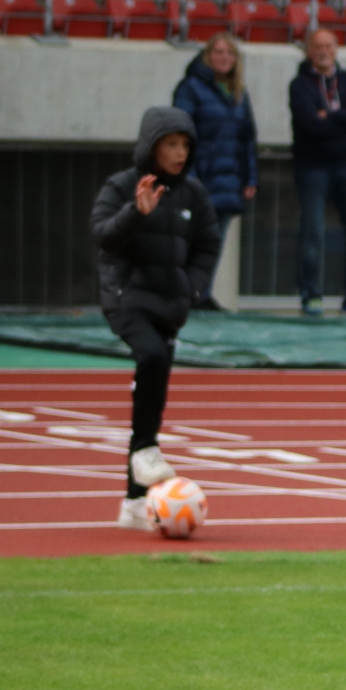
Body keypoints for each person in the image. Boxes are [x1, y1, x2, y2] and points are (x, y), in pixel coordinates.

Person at [90, 106, 221, 531]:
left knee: (152, 395)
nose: (180, 153)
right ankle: (146, 450)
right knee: (151, 357)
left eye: (185, 145)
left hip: (170, 304)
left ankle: (133, 502)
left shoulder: (194, 194)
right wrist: (136, 211)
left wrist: (192, 287)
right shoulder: (122, 186)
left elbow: (208, 244)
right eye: (171, 144)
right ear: (152, 147)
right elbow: (103, 235)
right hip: (127, 299)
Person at [288, 28, 346, 317]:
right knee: (313, 233)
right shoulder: (299, 85)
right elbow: (310, 124)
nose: (323, 51)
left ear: (336, 48)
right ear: (308, 50)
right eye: (317, 46)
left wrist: (329, 115)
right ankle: (311, 297)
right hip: (312, 168)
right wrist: (345, 119)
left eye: (328, 45)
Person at [173, 32, 258, 309]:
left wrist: (250, 178)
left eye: (230, 53)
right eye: (219, 52)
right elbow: (180, 132)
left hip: (229, 179)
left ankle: (201, 292)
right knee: (193, 238)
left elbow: (247, 139)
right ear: (207, 56)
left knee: (214, 240)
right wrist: (188, 174)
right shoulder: (190, 88)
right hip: (200, 177)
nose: (224, 58)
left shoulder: (238, 93)